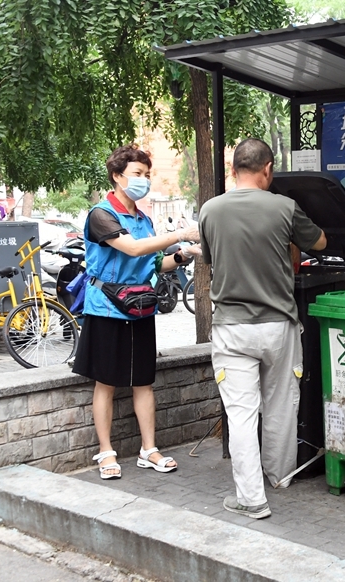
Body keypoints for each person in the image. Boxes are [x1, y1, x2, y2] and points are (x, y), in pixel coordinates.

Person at [199, 138, 326, 520]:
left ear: (233, 169)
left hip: (232, 329)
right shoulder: (284, 207)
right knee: (281, 406)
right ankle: (279, 476)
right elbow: (320, 242)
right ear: (268, 169)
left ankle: (252, 499)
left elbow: (211, 258)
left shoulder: (210, 210)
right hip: (277, 327)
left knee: (240, 414)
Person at [72, 144, 202, 481]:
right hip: (106, 309)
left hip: (140, 307)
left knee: (144, 381)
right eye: (137, 174)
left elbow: (156, 263)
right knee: (106, 383)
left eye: (146, 174)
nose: (143, 180)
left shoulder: (143, 219)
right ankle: (106, 451)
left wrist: (184, 254)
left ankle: (149, 449)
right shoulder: (101, 215)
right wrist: (178, 234)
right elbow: (131, 248)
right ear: (117, 176)